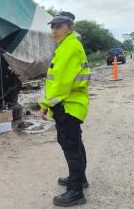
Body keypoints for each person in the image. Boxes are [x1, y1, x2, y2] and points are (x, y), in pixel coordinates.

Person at [38, 11, 91, 206]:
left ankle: (75, 191)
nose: (54, 30)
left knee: (70, 146)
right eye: (52, 26)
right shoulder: (66, 45)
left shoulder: (69, 47)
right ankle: (80, 178)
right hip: (71, 104)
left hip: (67, 105)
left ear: (70, 27)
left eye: (58, 26)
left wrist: (44, 104)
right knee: (75, 143)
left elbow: (60, 83)